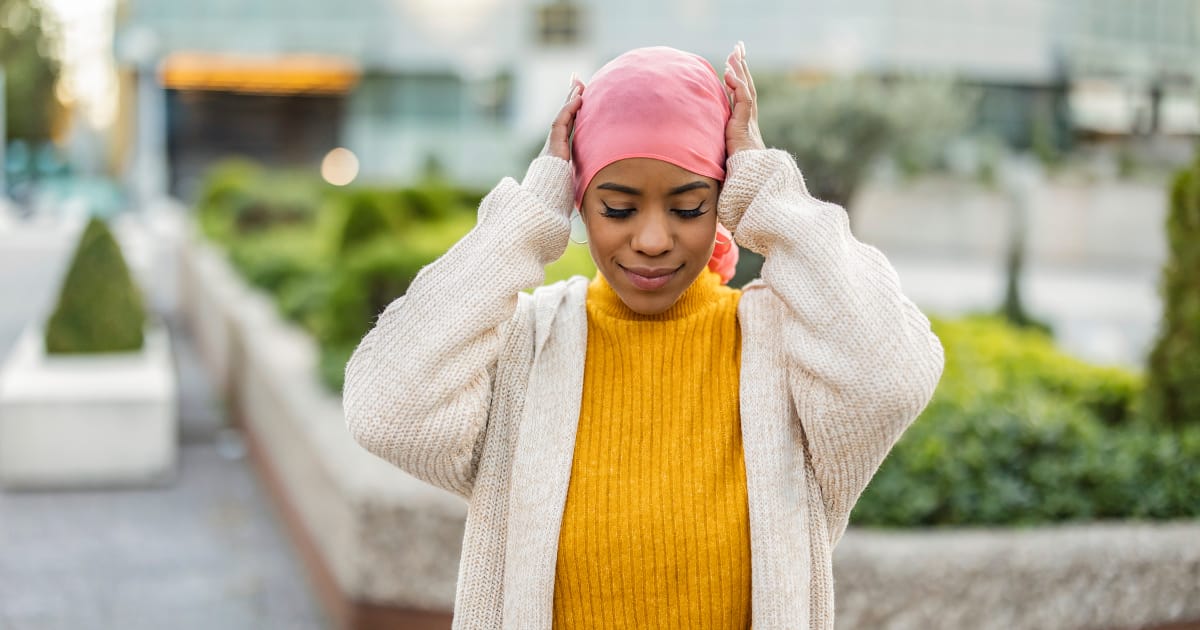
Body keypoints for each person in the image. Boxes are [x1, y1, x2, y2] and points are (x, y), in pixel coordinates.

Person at [342, 42, 944, 630]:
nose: (653, 240)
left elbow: (892, 378)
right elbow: (387, 412)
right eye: (618, 209)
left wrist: (769, 193)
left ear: (722, 200)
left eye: (688, 208)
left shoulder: (779, 352)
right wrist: (529, 218)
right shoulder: (528, 347)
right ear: (579, 202)